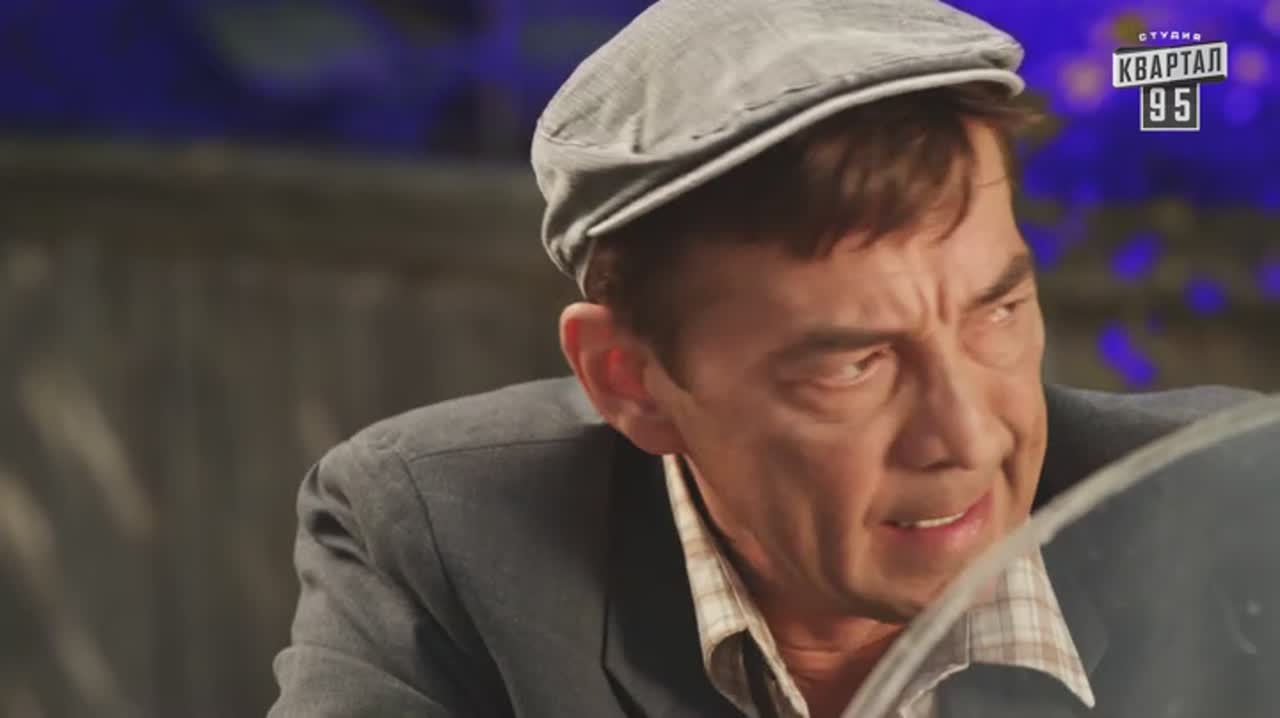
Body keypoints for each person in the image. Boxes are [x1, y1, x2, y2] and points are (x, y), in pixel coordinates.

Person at [268, 1, 1263, 716]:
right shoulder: (443, 533)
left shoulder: (1244, 506)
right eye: (853, 364)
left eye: (995, 310)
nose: (967, 435)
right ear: (630, 380)